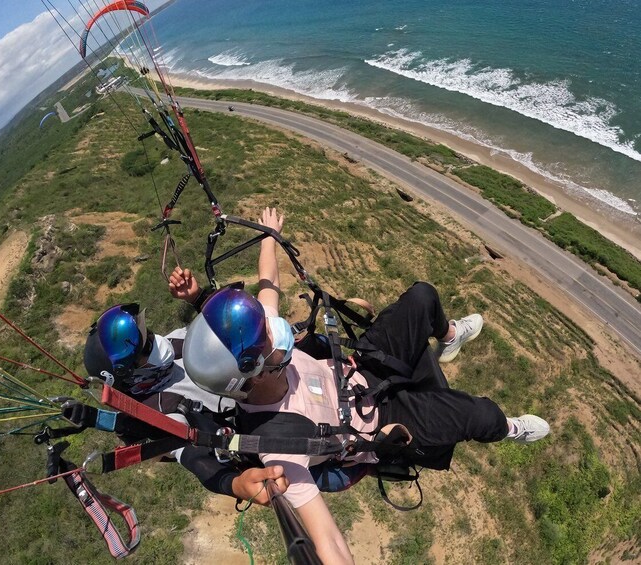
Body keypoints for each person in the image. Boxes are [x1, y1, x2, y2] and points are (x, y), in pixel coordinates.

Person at [180, 207, 551, 564]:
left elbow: (268, 286)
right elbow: (327, 539)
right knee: (481, 414)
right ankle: (509, 429)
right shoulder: (279, 448)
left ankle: (449, 334)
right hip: (381, 421)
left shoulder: (264, 350)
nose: (276, 332)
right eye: (267, 339)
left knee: (422, 297)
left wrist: (268, 236)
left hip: (360, 366)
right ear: (254, 373)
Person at [68, 303, 289, 505]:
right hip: (274, 426)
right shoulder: (160, 412)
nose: (155, 343)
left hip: (279, 377)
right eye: (145, 350)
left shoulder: (175, 343)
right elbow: (194, 459)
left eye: (149, 336)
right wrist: (235, 484)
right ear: (132, 377)